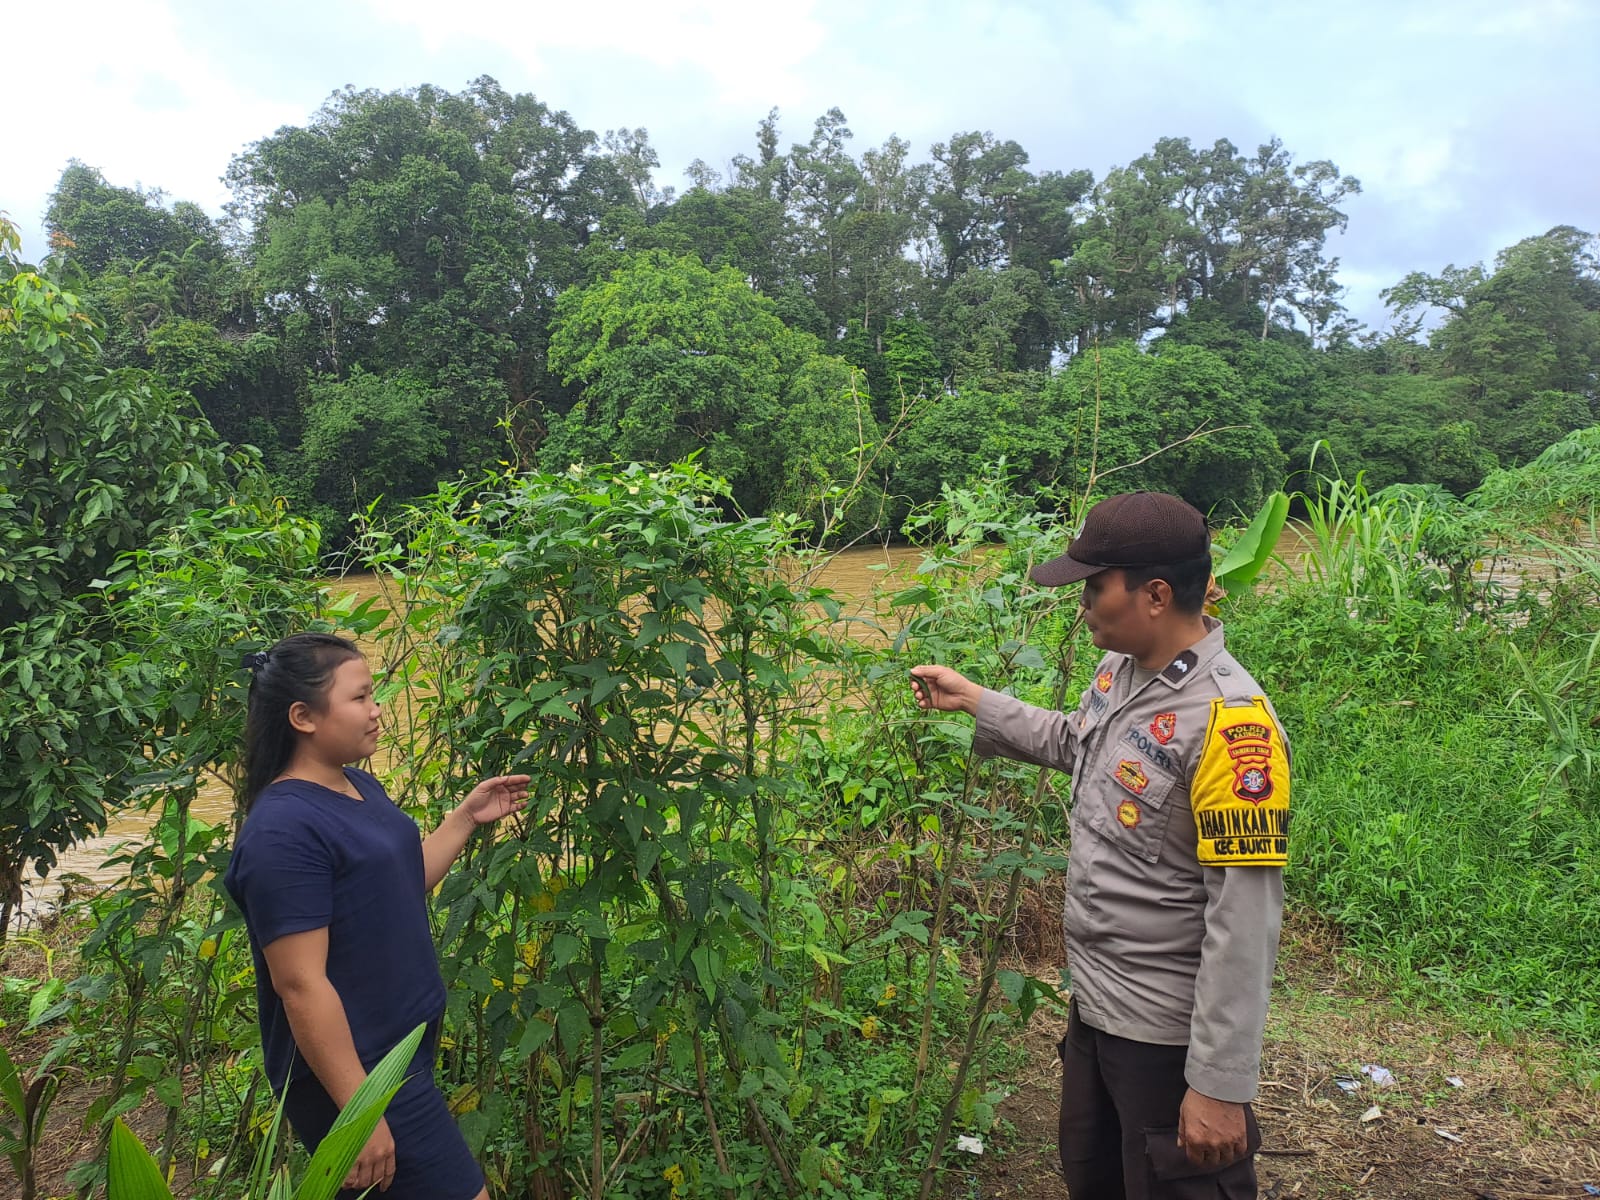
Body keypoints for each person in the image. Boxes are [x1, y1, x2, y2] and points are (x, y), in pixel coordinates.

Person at [910, 492, 1290, 1200]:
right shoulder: (1122, 671)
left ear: (1155, 595)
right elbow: (1075, 741)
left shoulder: (1231, 726)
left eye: (1094, 587)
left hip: (1165, 1035)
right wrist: (975, 700)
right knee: (1096, 1177)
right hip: (1096, 1004)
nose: (1082, 603)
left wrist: (1217, 1084)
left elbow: (1245, 918)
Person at [224, 632, 530, 1199]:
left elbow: (398, 882)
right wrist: (359, 1114)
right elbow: (300, 984)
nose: (377, 709)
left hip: (396, 1059)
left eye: (374, 694)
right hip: (357, 1075)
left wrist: (465, 817)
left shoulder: (355, 785)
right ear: (303, 717)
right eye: (360, 697)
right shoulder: (282, 833)